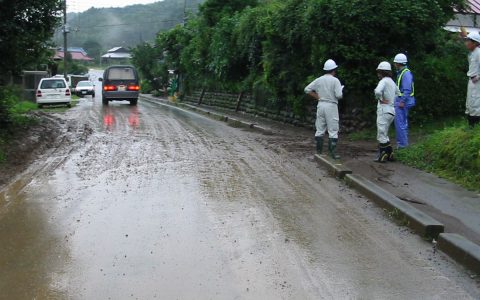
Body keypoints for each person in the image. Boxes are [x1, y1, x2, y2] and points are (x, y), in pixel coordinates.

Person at [304, 59, 344, 159]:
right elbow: (339, 95)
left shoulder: (319, 80)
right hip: (331, 105)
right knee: (333, 129)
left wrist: (317, 96)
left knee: (320, 128)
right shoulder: (335, 81)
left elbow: (307, 89)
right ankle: (332, 153)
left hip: (321, 105)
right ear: (334, 70)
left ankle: (319, 152)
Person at [374, 62, 399, 162]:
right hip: (392, 111)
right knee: (385, 133)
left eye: (378, 72)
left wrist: (380, 99)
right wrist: (392, 100)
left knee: (381, 134)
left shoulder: (383, 81)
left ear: (382, 72)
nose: (378, 74)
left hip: (384, 109)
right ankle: (390, 153)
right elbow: (398, 93)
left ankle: (382, 154)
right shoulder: (392, 82)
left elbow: (377, 91)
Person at [393, 53, 416, 148]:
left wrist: (402, 101)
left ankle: (402, 146)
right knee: (403, 124)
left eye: (395, 63)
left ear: (399, 63)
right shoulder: (403, 72)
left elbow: (407, 89)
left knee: (400, 124)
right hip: (404, 101)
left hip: (403, 102)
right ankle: (404, 145)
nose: (394, 64)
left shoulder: (405, 73)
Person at [465, 31, 480, 128]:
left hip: (477, 81)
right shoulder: (471, 53)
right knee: (469, 102)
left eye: (468, 41)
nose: (466, 43)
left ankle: (475, 125)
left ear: (474, 42)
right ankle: (470, 125)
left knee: (476, 102)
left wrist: (478, 77)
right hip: (471, 80)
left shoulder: (479, 53)